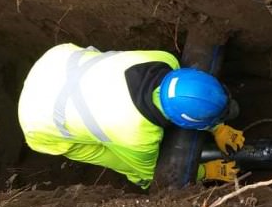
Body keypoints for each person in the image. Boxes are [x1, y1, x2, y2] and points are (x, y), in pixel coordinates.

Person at [17, 43, 245, 188]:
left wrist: (218, 128)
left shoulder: (165, 61)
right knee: (124, 162)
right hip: (40, 121)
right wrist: (204, 171)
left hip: (58, 61)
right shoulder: (138, 136)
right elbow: (150, 172)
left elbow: (186, 101)